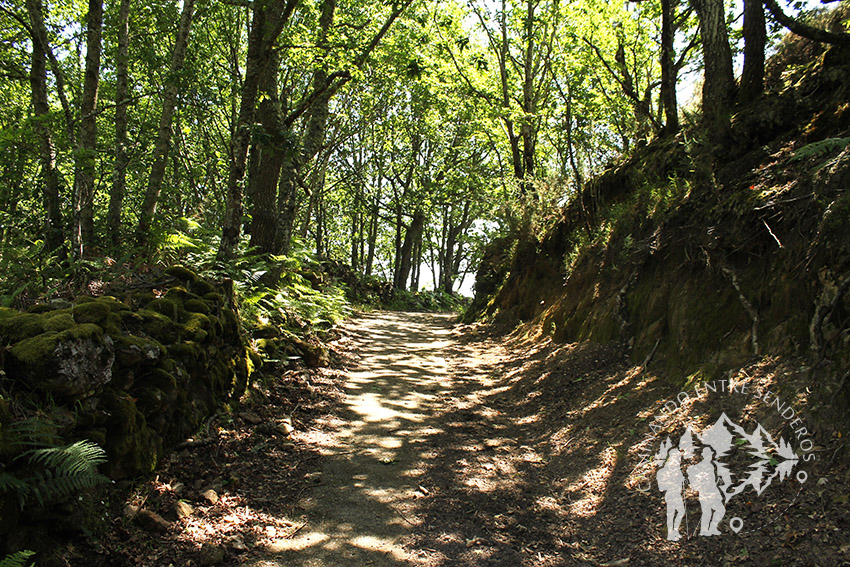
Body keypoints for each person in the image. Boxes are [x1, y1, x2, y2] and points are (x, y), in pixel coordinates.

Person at [686, 446, 725, 536]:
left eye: (710, 454)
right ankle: (705, 530)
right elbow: (696, 479)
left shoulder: (712, 465)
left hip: (712, 491)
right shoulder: (700, 467)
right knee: (708, 511)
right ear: (704, 455)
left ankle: (711, 528)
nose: (709, 456)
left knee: (718, 510)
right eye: (707, 454)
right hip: (705, 492)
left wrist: (718, 481)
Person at [656, 445, 686, 541]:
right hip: (670, 494)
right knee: (672, 513)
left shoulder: (678, 471)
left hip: (677, 493)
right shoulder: (663, 471)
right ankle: (670, 533)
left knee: (680, 512)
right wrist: (672, 485)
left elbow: (682, 483)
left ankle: (675, 531)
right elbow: (661, 488)